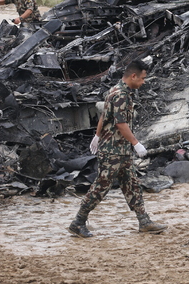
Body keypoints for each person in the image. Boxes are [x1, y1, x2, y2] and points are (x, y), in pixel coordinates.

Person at [68, 60, 167, 238]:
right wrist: (136, 143)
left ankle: (144, 221)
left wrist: (97, 135)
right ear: (133, 76)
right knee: (101, 186)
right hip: (113, 151)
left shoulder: (115, 91)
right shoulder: (121, 94)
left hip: (120, 150)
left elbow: (104, 116)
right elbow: (121, 124)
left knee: (132, 184)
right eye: (142, 78)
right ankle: (78, 222)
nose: (143, 82)